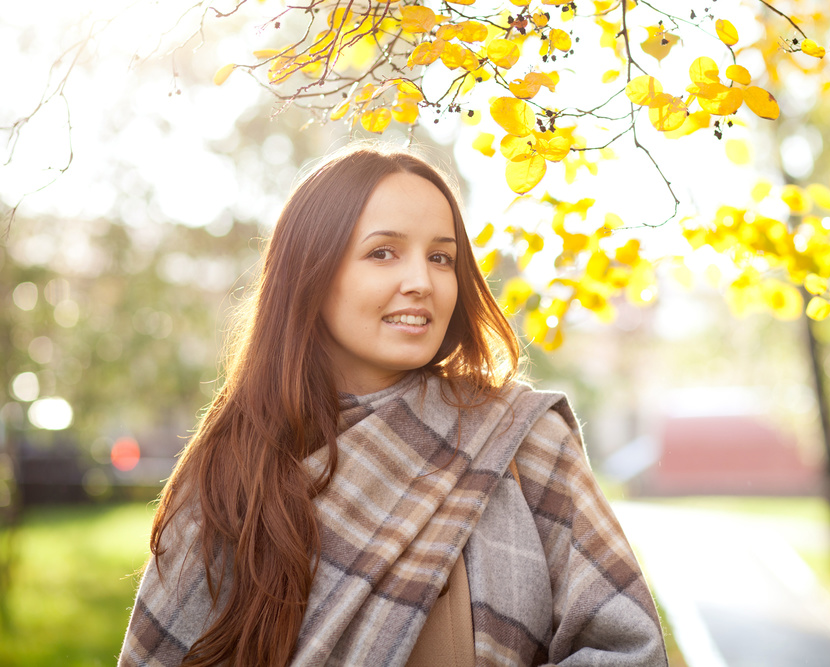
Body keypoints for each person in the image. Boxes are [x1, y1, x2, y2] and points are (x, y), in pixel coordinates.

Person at [119, 143, 668, 667]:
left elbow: (630, 651)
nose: (421, 282)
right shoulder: (232, 467)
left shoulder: (522, 442)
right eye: (383, 253)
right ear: (311, 270)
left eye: (441, 258)